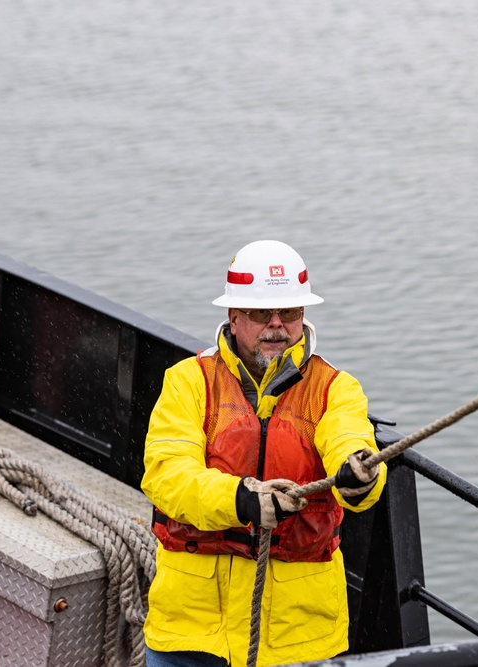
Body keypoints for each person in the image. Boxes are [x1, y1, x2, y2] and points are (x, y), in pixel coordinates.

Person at [141, 240, 387, 667]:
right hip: (191, 631)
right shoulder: (188, 381)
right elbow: (167, 476)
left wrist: (360, 472)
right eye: (261, 314)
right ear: (234, 319)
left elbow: (348, 437)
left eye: (289, 313)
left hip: (297, 637)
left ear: (303, 316)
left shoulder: (336, 389)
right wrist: (242, 499)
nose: (277, 325)